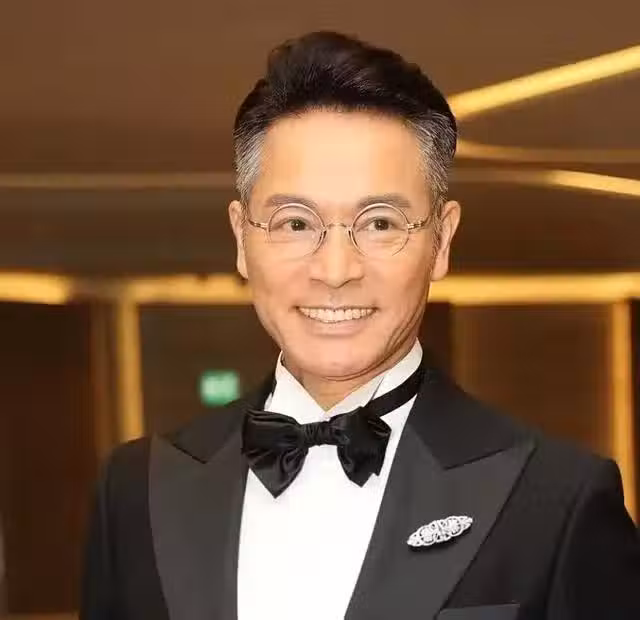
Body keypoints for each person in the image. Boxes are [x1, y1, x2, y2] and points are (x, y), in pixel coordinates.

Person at [80, 31, 640, 619]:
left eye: (379, 223)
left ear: (441, 240)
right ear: (242, 239)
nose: (335, 271)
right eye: (296, 223)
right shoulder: (138, 492)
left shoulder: (555, 501)